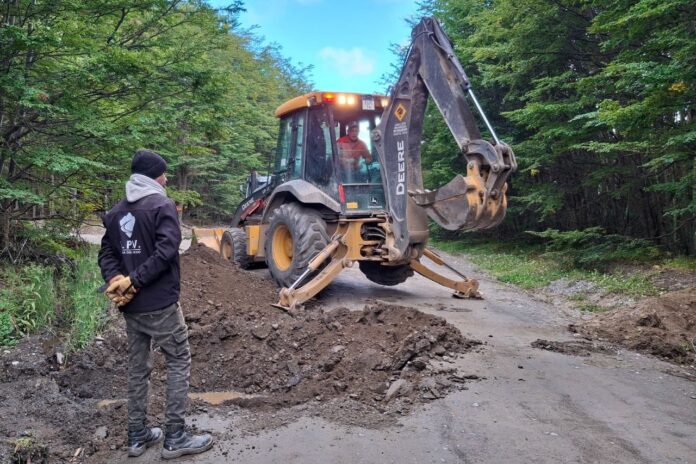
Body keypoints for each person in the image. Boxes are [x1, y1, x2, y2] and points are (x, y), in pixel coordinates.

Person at [98, 149, 213, 460]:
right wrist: (134, 280)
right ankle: (175, 437)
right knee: (178, 360)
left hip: (131, 307)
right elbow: (166, 251)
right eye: (163, 174)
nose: (166, 179)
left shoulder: (116, 211)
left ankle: (137, 436)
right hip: (160, 303)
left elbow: (106, 253)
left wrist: (116, 279)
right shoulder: (162, 205)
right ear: (153, 176)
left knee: (138, 368)